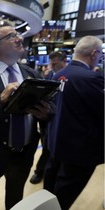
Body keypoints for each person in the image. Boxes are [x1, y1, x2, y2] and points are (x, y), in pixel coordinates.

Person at [0, 22, 53, 210]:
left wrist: (46, 112)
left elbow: (53, 106)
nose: (19, 38)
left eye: (18, 34)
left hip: (24, 151)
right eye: (10, 36)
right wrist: (0, 99)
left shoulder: (31, 74)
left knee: (16, 199)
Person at [44, 36, 104, 210]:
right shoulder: (92, 78)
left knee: (52, 191)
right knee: (63, 198)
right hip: (80, 152)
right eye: (100, 54)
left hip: (57, 143)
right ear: (94, 53)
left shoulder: (58, 74)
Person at [29, 51, 67, 184]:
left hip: (62, 116)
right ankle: (39, 172)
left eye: (55, 63)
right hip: (47, 116)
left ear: (63, 61)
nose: (53, 66)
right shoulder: (50, 74)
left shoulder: (68, 76)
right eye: (51, 63)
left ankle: (51, 172)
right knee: (47, 146)